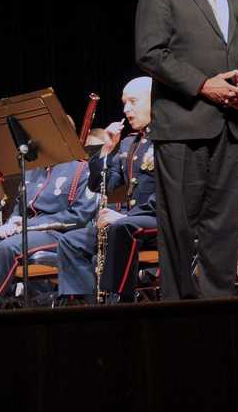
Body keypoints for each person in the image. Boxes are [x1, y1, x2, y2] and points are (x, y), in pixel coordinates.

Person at [134, 0, 238, 300]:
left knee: (224, 228)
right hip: (182, 124)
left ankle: (220, 313)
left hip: (231, 125)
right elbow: (150, 52)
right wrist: (202, 85)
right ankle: (177, 315)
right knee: (177, 228)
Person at [56, 76, 157, 305]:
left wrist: (126, 216)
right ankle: (83, 304)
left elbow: (168, 195)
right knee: (71, 241)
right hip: (133, 223)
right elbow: (102, 186)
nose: (126, 108)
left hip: (159, 220)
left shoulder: (170, 139)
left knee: (122, 226)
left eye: (133, 101)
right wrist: (106, 150)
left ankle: (120, 303)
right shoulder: (129, 143)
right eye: (124, 102)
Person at [0, 158, 94, 311]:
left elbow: (79, 216)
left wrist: (26, 225)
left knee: (8, 248)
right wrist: (9, 225)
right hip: (23, 233)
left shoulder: (82, 168)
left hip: (59, 234)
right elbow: (19, 209)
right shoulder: (30, 171)